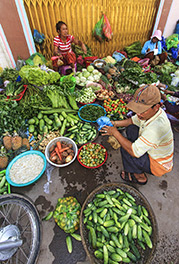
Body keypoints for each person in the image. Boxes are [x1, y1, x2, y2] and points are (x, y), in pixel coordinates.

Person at [100, 85, 174, 184]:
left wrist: (115, 132)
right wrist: (113, 123)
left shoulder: (156, 128)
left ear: (156, 107)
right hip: (154, 150)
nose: (138, 114)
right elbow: (132, 121)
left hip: (159, 164)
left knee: (126, 149)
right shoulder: (153, 113)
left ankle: (140, 177)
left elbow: (133, 151)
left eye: (143, 110)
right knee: (131, 128)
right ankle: (137, 164)